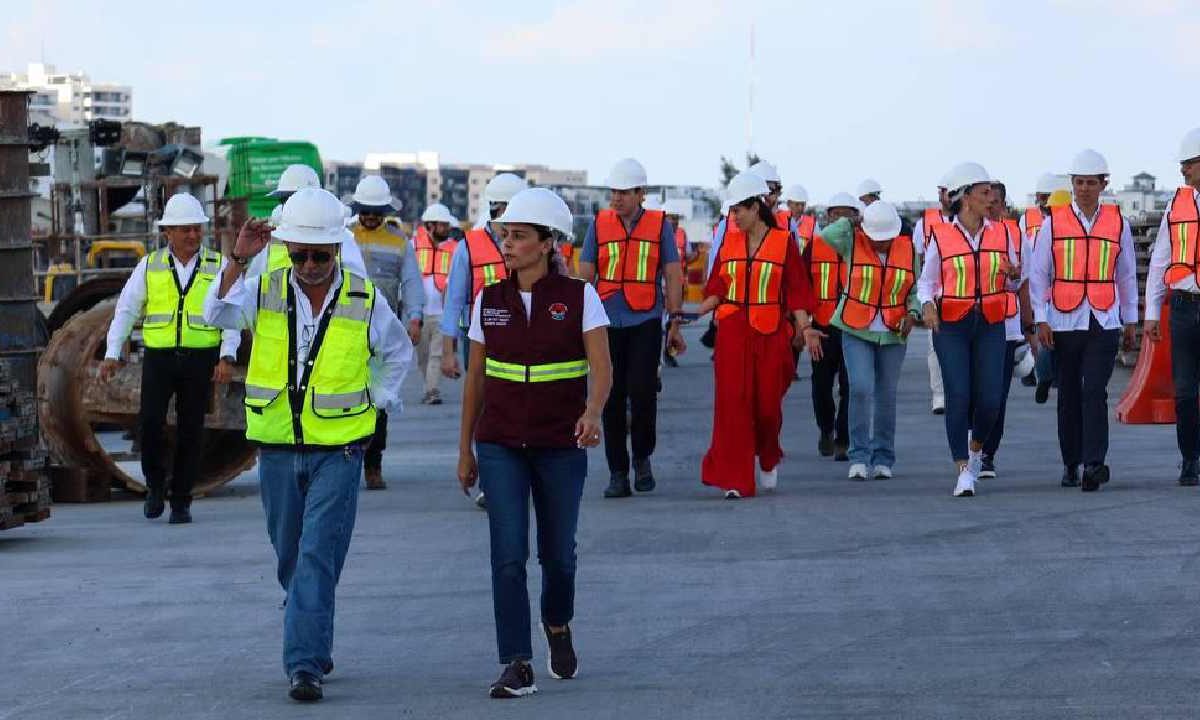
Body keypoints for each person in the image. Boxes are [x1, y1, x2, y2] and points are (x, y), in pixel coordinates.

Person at [203, 187, 412, 703]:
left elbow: (398, 354)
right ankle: (313, 636)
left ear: (338, 250)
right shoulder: (264, 286)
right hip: (275, 449)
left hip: (339, 450)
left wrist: (375, 400)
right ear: (288, 249)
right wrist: (237, 258)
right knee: (289, 558)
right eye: (301, 255)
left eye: (321, 255)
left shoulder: (364, 298)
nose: (311, 265)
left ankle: (303, 666)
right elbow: (215, 314)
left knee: (317, 556)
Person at [456, 188, 613, 698]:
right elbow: (475, 379)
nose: (508, 244)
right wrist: (465, 449)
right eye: (506, 234)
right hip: (499, 443)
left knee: (558, 556)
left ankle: (558, 624)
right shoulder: (489, 300)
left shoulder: (578, 297)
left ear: (547, 244)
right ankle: (516, 663)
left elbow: (602, 368)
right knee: (507, 554)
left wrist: (591, 412)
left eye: (519, 236)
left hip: (560, 444)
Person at [99, 194, 239, 524]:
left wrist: (227, 355)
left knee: (191, 430)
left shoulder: (218, 266)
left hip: (200, 358)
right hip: (160, 357)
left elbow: (232, 312)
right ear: (168, 233)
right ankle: (155, 486)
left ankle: (181, 500)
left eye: (197, 229)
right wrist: (111, 352)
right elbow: (126, 310)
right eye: (185, 230)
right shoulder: (150, 266)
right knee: (149, 424)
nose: (193, 235)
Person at [695, 171, 818, 498]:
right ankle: (734, 478)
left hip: (771, 333)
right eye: (732, 211)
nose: (733, 217)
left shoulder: (783, 243)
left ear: (755, 208)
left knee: (766, 407)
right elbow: (717, 286)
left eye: (738, 211)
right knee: (732, 405)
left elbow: (797, 291)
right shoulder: (729, 242)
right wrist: (692, 312)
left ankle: (768, 454)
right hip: (733, 331)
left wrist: (805, 329)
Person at [1029, 149, 1138, 492]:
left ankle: (1094, 463)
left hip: (1103, 319)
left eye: (1092, 182)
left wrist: (1131, 319)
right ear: (1072, 184)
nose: (1086, 188)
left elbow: (1127, 275)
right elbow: (1038, 274)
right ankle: (1070, 462)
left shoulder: (1117, 222)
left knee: (1094, 391)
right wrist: (1041, 319)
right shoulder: (1053, 222)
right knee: (1069, 394)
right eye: (1080, 182)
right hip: (1063, 319)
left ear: (1104, 184)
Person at [578, 158, 685, 498]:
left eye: (623, 192)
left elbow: (671, 271)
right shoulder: (599, 223)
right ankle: (618, 472)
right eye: (613, 192)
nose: (616, 199)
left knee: (642, 391)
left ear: (641, 194)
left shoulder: (659, 225)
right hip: (606, 319)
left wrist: (675, 319)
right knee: (610, 395)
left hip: (645, 319)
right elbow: (585, 271)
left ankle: (642, 457)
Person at [917, 162, 1020, 497]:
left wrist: (1012, 273)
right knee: (958, 394)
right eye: (984, 192)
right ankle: (963, 470)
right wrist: (928, 305)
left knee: (991, 399)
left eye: (992, 192)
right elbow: (927, 282)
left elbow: (1017, 277)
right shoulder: (941, 235)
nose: (991, 198)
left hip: (991, 321)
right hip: (951, 324)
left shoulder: (1003, 232)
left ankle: (976, 450)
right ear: (965, 197)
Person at [440, 172, 529, 509]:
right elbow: (454, 301)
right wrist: (448, 352)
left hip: (522, 339)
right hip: (478, 340)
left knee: (519, 407)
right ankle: (494, 482)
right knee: (485, 409)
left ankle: (518, 476)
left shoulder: (531, 244)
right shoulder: (469, 246)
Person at [818, 201, 920, 480]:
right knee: (860, 388)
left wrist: (913, 313)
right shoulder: (852, 241)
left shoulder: (908, 250)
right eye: (876, 238)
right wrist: (852, 220)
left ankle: (883, 457)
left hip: (893, 332)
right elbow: (825, 236)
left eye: (886, 239)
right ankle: (859, 456)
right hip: (855, 327)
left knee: (886, 395)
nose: (881, 244)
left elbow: (915, 290)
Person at [348, 175, 425, 490]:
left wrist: (415, 317)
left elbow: (411, 282)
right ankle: (347, 462)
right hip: (345, 331)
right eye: (365, 210)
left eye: (375, 211)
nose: (370, 216)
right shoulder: (344, 236)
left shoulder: (399, 241)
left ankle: (373, 465)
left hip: (383, 333)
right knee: (346, 397)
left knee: (378, 400)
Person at [1144, 128, 1200, 485]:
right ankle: (1190, 459)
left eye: (1189, 165)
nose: (1184, 172)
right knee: (1184, 390)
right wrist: (1151, 312)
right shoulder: (1175, 205)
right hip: (1182, 306)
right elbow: (1160, 260)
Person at [977, 181, 1034, 479]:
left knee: (996, 396)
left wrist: (1030, 328)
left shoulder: (1014, 234)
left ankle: (987, 453)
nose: (991, 206)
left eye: (996, 201)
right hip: (969, 326)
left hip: (1005, 327)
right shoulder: (961, 235)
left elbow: (1024, 283)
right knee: (973, 392)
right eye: (986, 199)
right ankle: (970, 447)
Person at [807, 193, 856, 461]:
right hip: (822, 327)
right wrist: (803, 327)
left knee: (851, 385)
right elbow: (802, 287)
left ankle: (843, 438)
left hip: (853, 327)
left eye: (846, 214)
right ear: (827, 217)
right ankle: (825, 429)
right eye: (835, 214)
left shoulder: (862, 247)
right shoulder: (814, 246)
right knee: (821, 385)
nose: (840, 220)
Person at [1023, 173, 1067, 402]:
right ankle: (1050, 376)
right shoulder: (1038, 223)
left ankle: (1044, 376)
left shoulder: (1046, 225)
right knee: (1055, 337)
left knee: (1047, 337)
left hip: (1049, 291)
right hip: (1060, 291)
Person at [912, 175, 953, 414]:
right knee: (934, 346)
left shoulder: (971, 220)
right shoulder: (924, 223)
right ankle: (939, 395)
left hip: (962, 292)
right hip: (935, 294)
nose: (946, 196)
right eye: (943, 191)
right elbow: (919, 259)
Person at [413, 203, 458, 405]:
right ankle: (429, 387)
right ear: (430, 225)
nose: (447, 229)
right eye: (442, 225)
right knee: (422, 357)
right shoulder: (413, 244)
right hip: (420, 314)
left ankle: (432, 390)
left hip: (442, 312)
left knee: (436, 355)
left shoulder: (454, 248)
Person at [662, 198, 697, 368]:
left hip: (677, 284)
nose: (674, 221)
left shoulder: (682, 234)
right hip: (660, 284)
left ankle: (669, 352)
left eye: (676, 218)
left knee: (674, 320)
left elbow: (688, 255)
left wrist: (696, 255)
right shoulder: (657, 233)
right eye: (671, 218)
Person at [784, 184, 819, 253]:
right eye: (797, 204)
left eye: (803, 204)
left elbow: (818, 246)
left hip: (803, 262)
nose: (800, 208)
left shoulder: (812, 224)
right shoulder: (781, 221)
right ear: (788, 204)